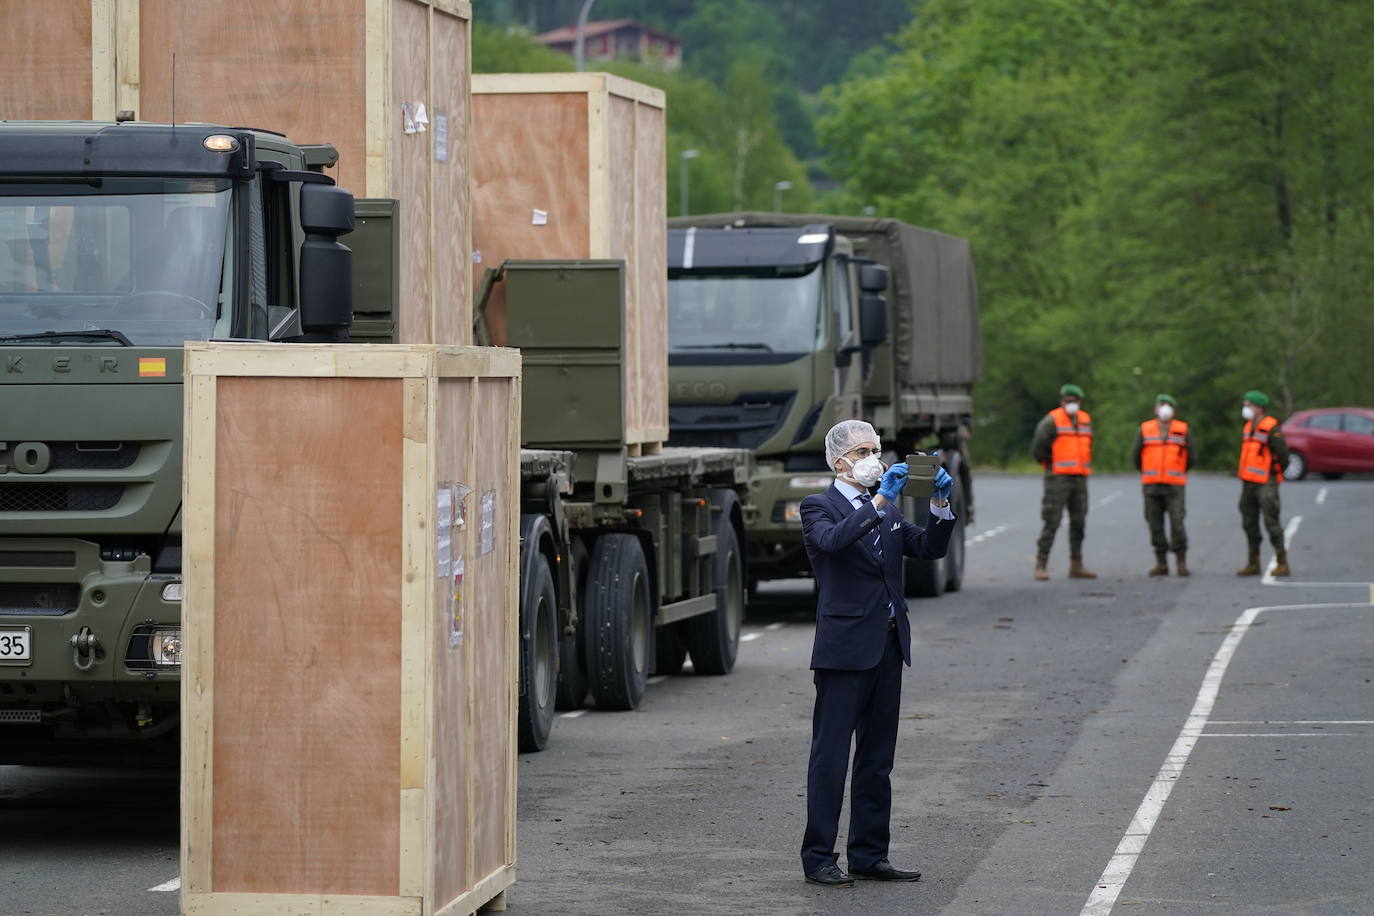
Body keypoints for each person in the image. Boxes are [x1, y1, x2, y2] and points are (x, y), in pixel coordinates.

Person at [798, 420, 955, 889]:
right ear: (837, 461)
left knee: (876, 758)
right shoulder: (818, 506)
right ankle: (818, 857)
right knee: (830, 757)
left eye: (876, 449)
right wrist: (883, 499)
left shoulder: (881, 510)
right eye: (862, 450)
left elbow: (927, 548)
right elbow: (831, 543)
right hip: (843, 650)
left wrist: (939, 504)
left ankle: (869, 853)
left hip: (888, 645)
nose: (873, 457)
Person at [1030, 383, 1096, 580]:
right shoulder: (1052, 421)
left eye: (1074, 401)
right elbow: (1038, 447)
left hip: (1080, 478)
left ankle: (1076, 565)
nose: (1071, 404)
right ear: (1061, 402)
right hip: (1058, 478)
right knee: (1052, 520)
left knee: (1079, 521)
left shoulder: (1085, 420)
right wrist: (1050, 465)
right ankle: (1041, 564)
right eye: (1067, 401)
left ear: (1080, 402)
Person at [1131, 394, 1195, 576]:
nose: (1165, 408)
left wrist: (1178, 470)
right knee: (1154, 524)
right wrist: (1147, 471)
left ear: (1174, 410)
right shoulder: (1145, 429)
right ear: (1155, 409)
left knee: (1177, 523)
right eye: (1162, 405)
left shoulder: (1182, 429)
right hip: (1151, 485)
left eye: (1169, 405)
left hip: (1174, 485)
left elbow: (1191, 457)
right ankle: (1161, 562)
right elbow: (1136, 456)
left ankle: (1181, 562)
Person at [1236, 389, 1290, 576]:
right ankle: (1253, 562)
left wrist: (1275, 475)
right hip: (1248, 482)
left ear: (1258, 407)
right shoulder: (1248, 426)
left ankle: (1282, 562)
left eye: (1248, 404)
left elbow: (1283, 455)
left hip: (1266, 482)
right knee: (1248, 522)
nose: (1245, 408)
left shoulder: (1271, 426)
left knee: (1271, 521)